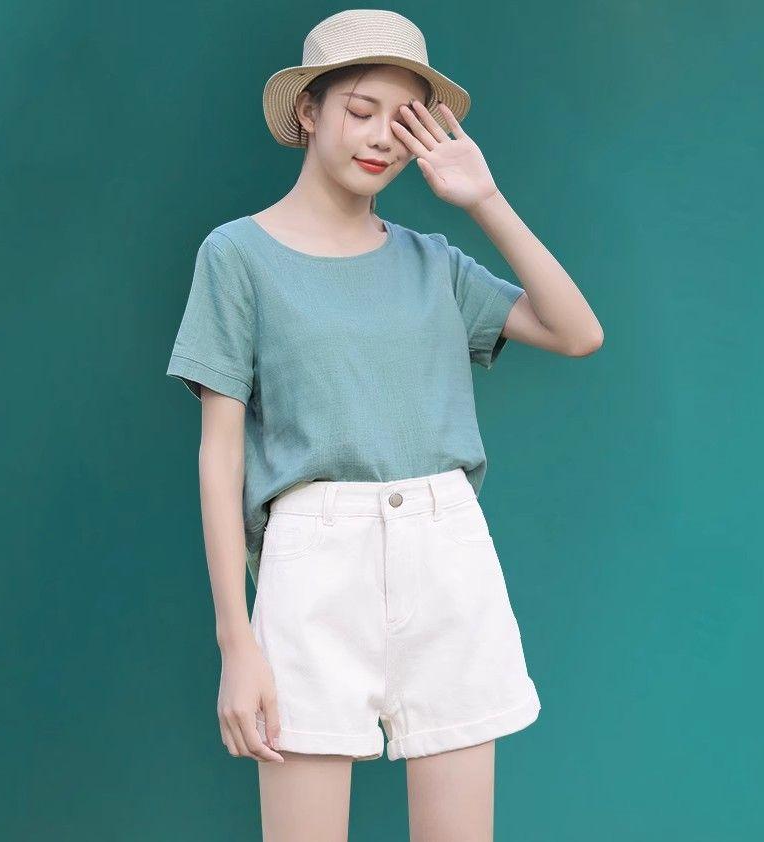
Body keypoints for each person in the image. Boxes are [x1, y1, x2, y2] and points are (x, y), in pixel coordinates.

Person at [166, 9, 603, 841]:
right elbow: (219, 456)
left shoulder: (432, 261)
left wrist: (484, 198)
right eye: (360, 110)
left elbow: (577, 331)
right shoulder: (237, 255)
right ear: (309, 111)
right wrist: (236, 642)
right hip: (311, 563)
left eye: (402, 121)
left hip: (446, 553)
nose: (381, 139)